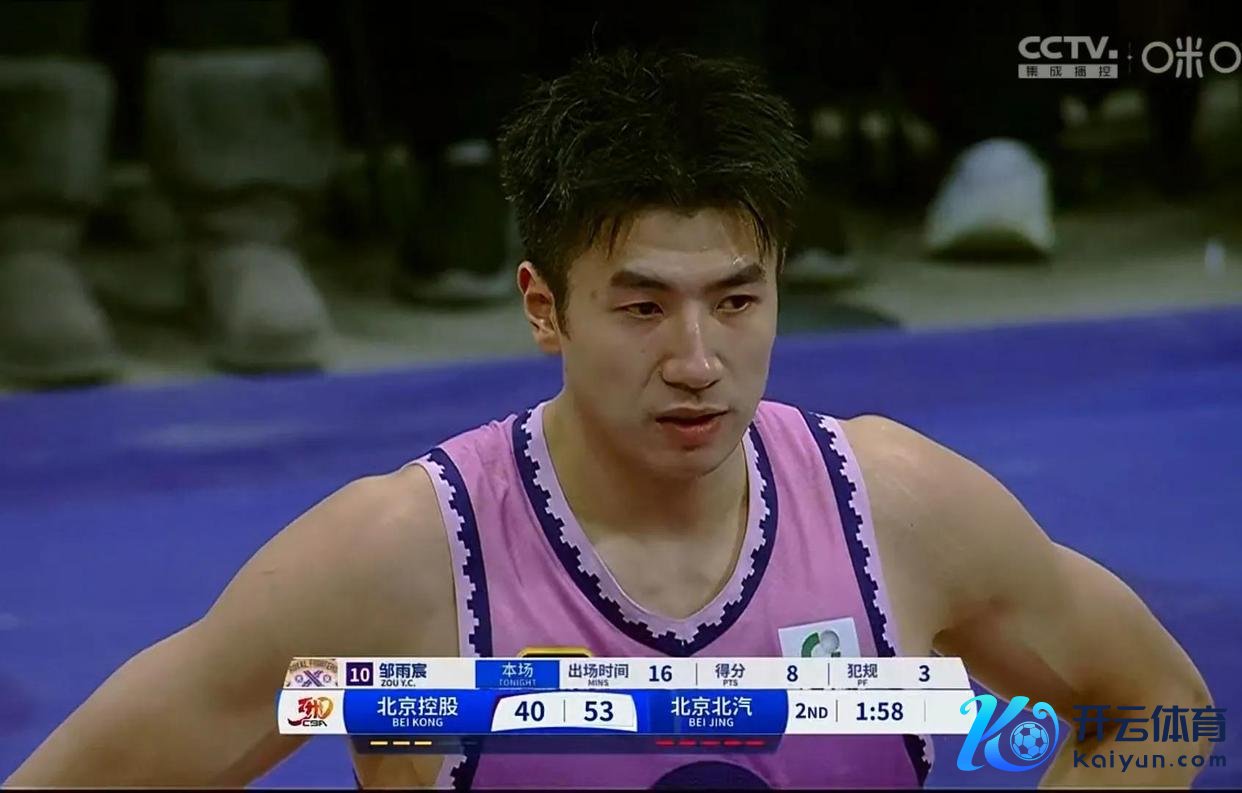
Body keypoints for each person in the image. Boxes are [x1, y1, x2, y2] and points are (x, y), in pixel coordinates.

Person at [5, 49, 1212, 790]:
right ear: (545, 307)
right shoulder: (395, 563)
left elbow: (1158, 711)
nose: (697, 362)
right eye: (642, 307)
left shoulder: (902, 511)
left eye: (736, 300)